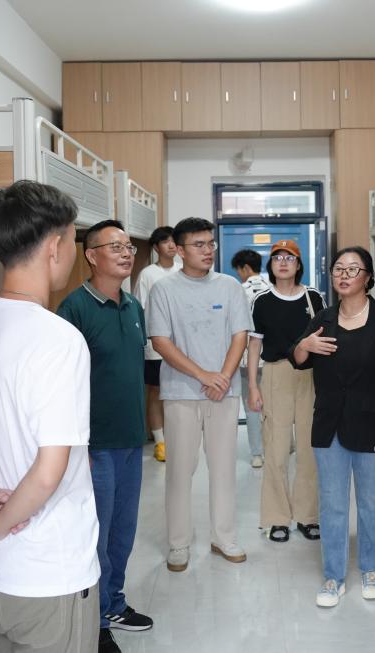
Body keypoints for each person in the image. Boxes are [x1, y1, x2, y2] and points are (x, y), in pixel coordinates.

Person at [0, 180, 99, 653]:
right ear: (54, 246)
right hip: (48, 577)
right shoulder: (58, 339)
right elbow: (49, 471)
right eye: (73, 239)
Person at [290, 246, 375, 608]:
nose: (343, 275)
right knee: (332, 504)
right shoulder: (323, 319)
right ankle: (333, 576)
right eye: (339, 269)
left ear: (368, 277)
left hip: (374, 426)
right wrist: (305, 344)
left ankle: (371, 569)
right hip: (329, 425)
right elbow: (298, 360)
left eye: (353, 269)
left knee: (371, 501)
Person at [56, 219, 154, 653]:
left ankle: (113, 602)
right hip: (94, 447)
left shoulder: (133, 307)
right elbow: (61, 385)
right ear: (91, 255)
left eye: (129, 246)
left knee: (123, 532)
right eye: (115, 246)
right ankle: (93, 622)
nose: (126, 252)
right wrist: (80, 445)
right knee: (95, 535)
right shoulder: (74, 309)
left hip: (131, 440)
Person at [146, 217, 252, 572]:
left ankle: (224, 537)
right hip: (180, 392)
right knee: (179, 471)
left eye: (211, 243)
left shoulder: (229, 286)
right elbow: (161, 341)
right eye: (199, 244)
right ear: (179, 249)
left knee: (224, 469)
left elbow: (240, 335)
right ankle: (179, 544)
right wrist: (203, 375)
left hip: (224, 392)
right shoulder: (163, 289)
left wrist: (222, 377)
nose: (208, 251)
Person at [247, 240, 325, 544]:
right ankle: (277, 518)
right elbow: (254, 345)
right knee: (276, 450)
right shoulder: (262, 300)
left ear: (299, 264)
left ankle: (308, 516)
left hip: (309, 377)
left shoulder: (313, 297)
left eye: (289, 257)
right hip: (275, 375)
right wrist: (253, 386)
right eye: (277, 257)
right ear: (271, 264)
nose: (283, 262)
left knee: (308, 450)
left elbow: (324, 341)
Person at [134, 225, 181, 463]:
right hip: (155, 343)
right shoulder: (148, 274)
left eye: (174, 241)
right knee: (155, 390)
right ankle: (160, 441)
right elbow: (140, 307)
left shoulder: (183, 270)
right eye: (165, 241)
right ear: (156, 247)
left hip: (181, 343)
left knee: (177, 390)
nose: (171, 245)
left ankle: (177, 438)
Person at [231, 248, 270, 468]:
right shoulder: (273, 288)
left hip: (247, 359)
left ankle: (257, 453)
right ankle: (285, 445)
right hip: (272, 358)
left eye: (238, 270)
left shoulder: (238, 291)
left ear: (245, 268)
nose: (239, 275)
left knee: (252, 407)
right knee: (275, 405)